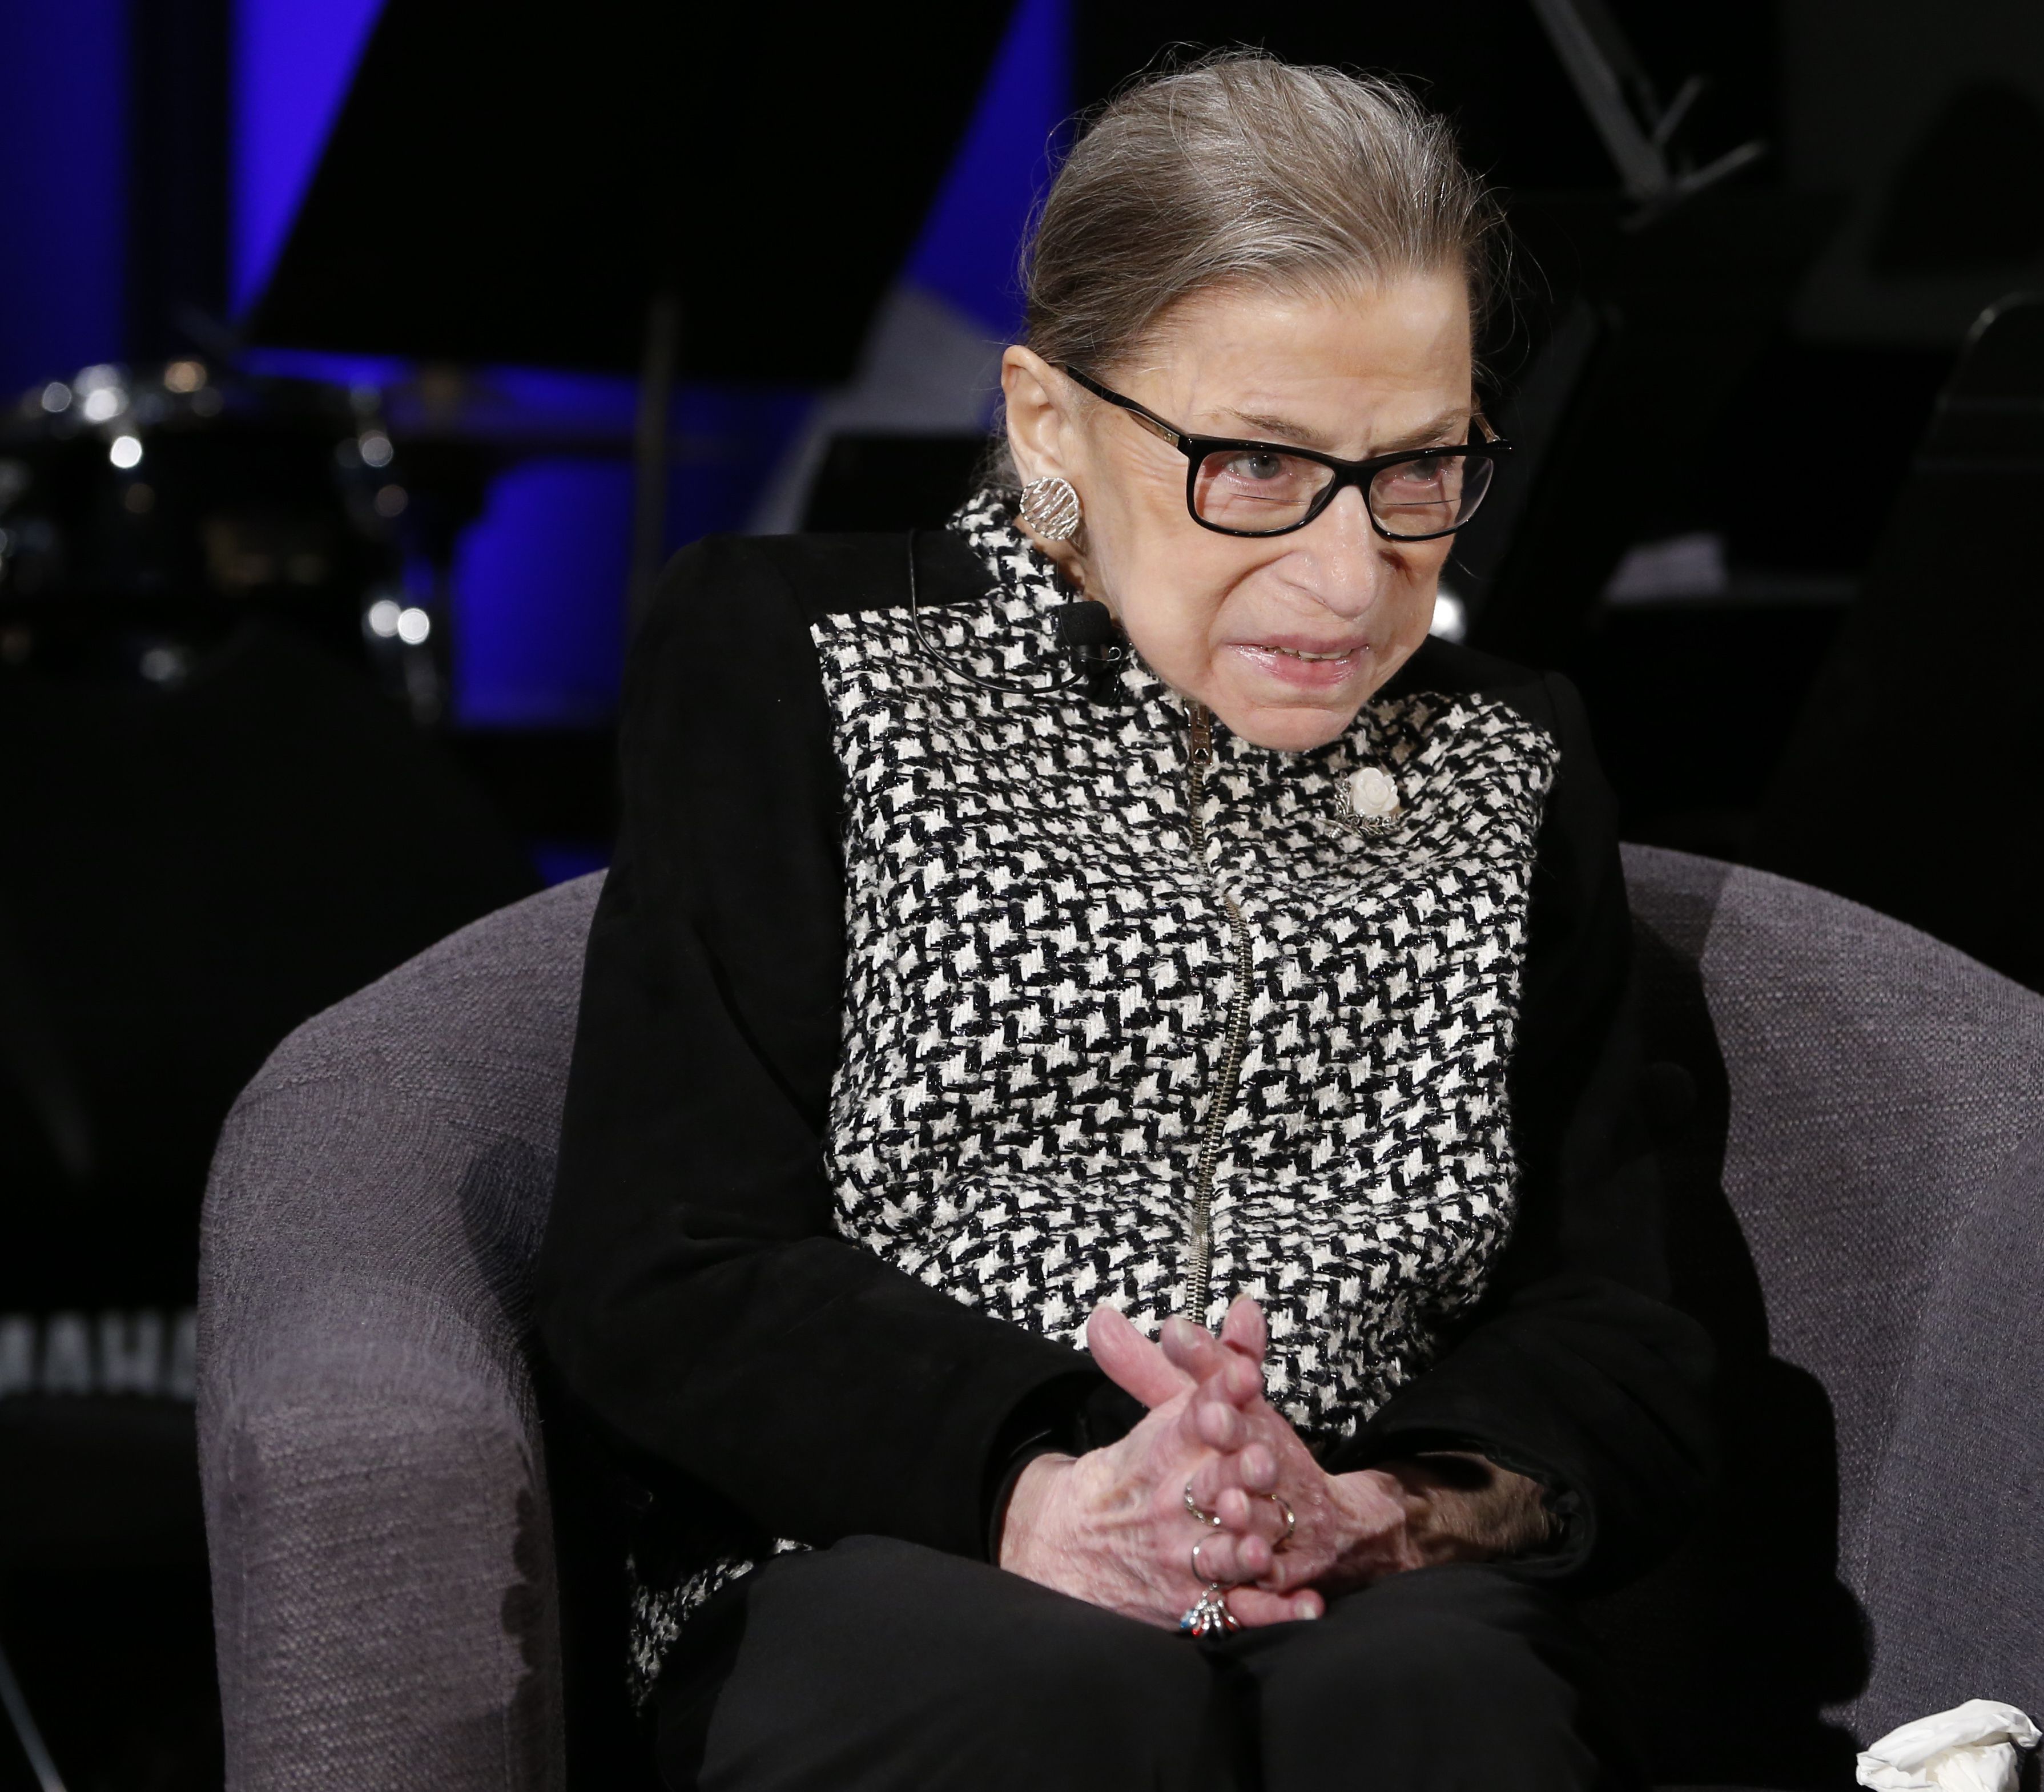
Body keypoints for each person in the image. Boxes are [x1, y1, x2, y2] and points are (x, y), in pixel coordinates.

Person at [537, 50, 1716, 1791]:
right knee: (1049, 1714)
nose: (1347, 575)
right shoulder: (801, 667)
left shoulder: (1510, 760)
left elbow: (1623, 1323)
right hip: (881, 1552)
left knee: (1449, 1716)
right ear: (1048, 425)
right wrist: (1041, 1486)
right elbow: (667, 1265)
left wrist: (1377, 1508)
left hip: (1359, 1575)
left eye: (1420, 472)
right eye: (1255, 465)